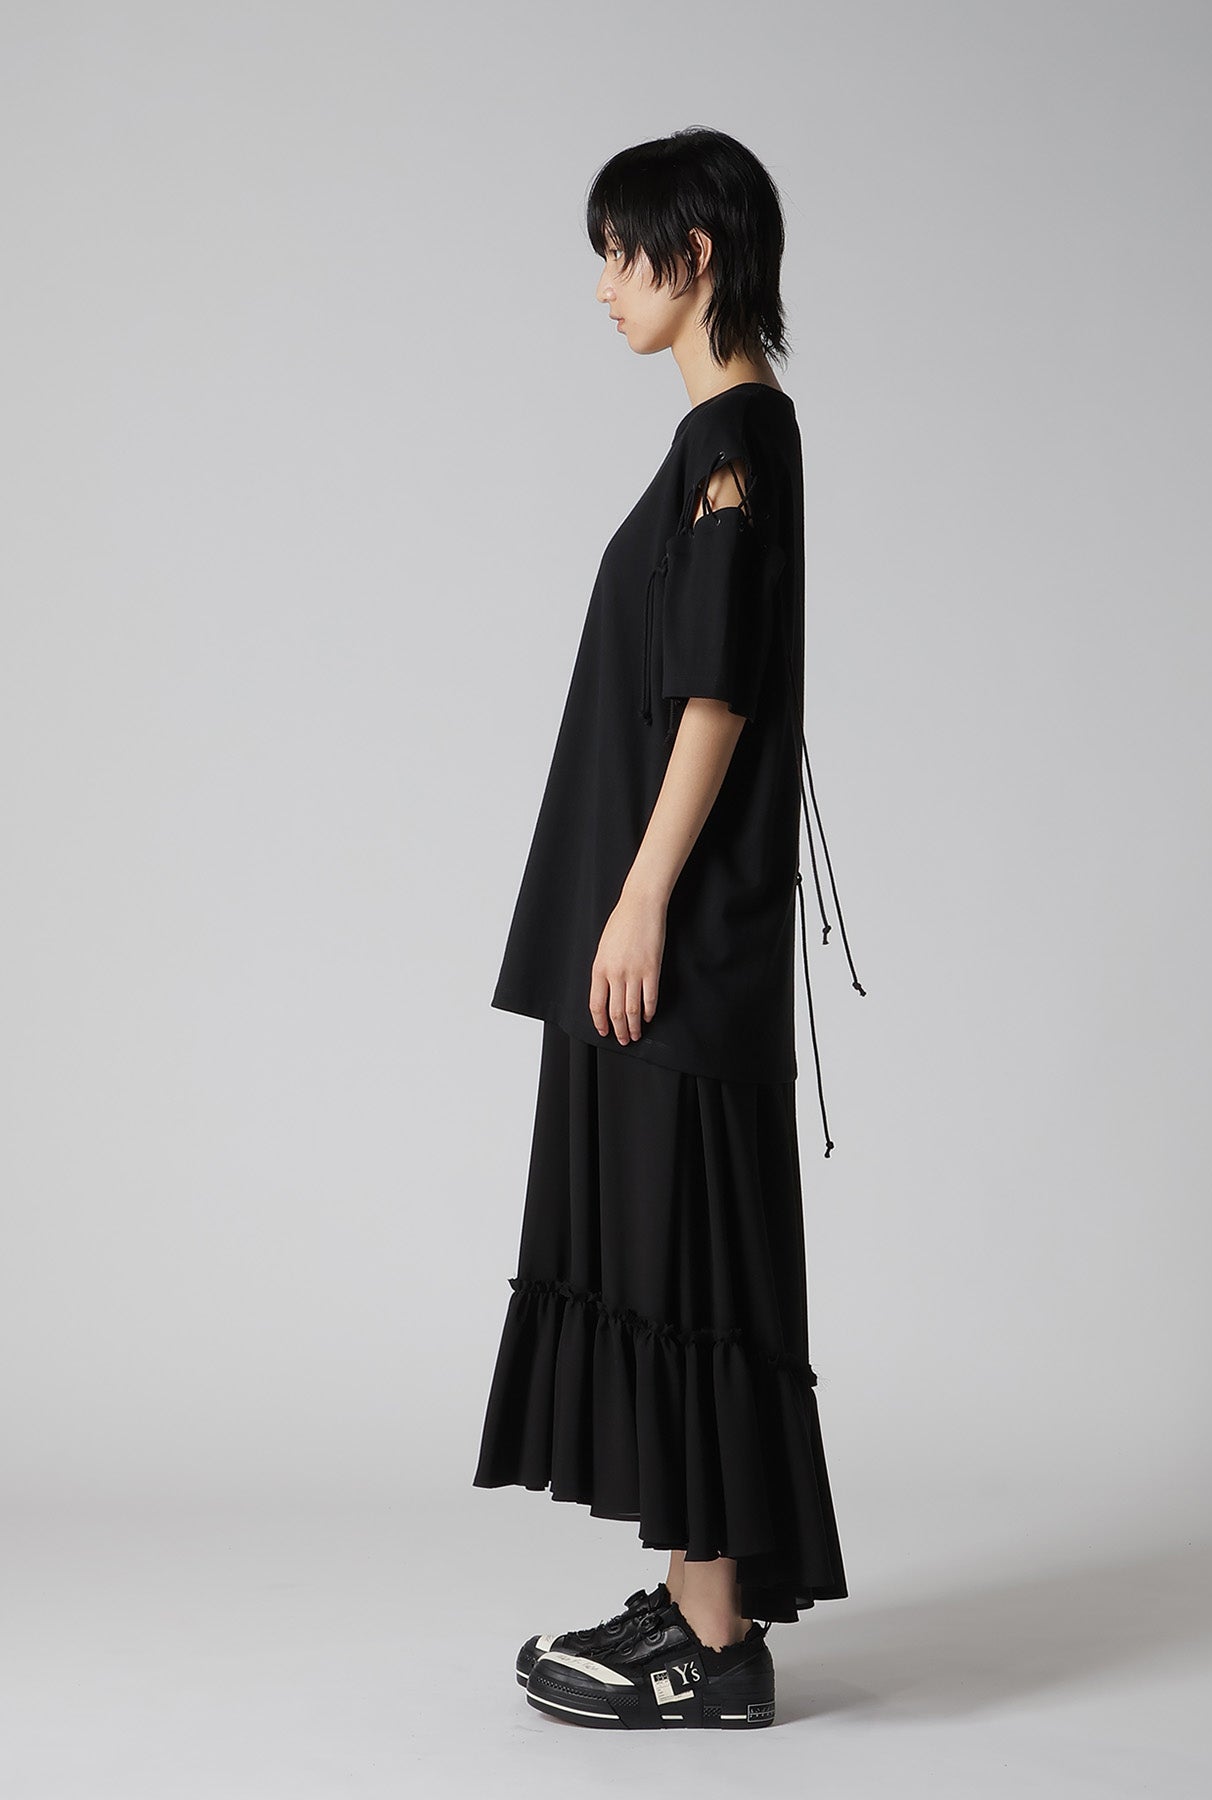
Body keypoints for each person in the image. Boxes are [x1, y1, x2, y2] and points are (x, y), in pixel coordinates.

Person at [471, 126, 866, 1732]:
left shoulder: (733, 436)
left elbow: (714, 695)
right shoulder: (729, 435)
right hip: (658, 929)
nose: (601, 286)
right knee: (667, 1244)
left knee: (686, 1247)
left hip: (675, 936)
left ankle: (712, 1648)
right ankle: (705, 1600)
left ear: (692, 256)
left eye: (618, 253)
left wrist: (637, 904)